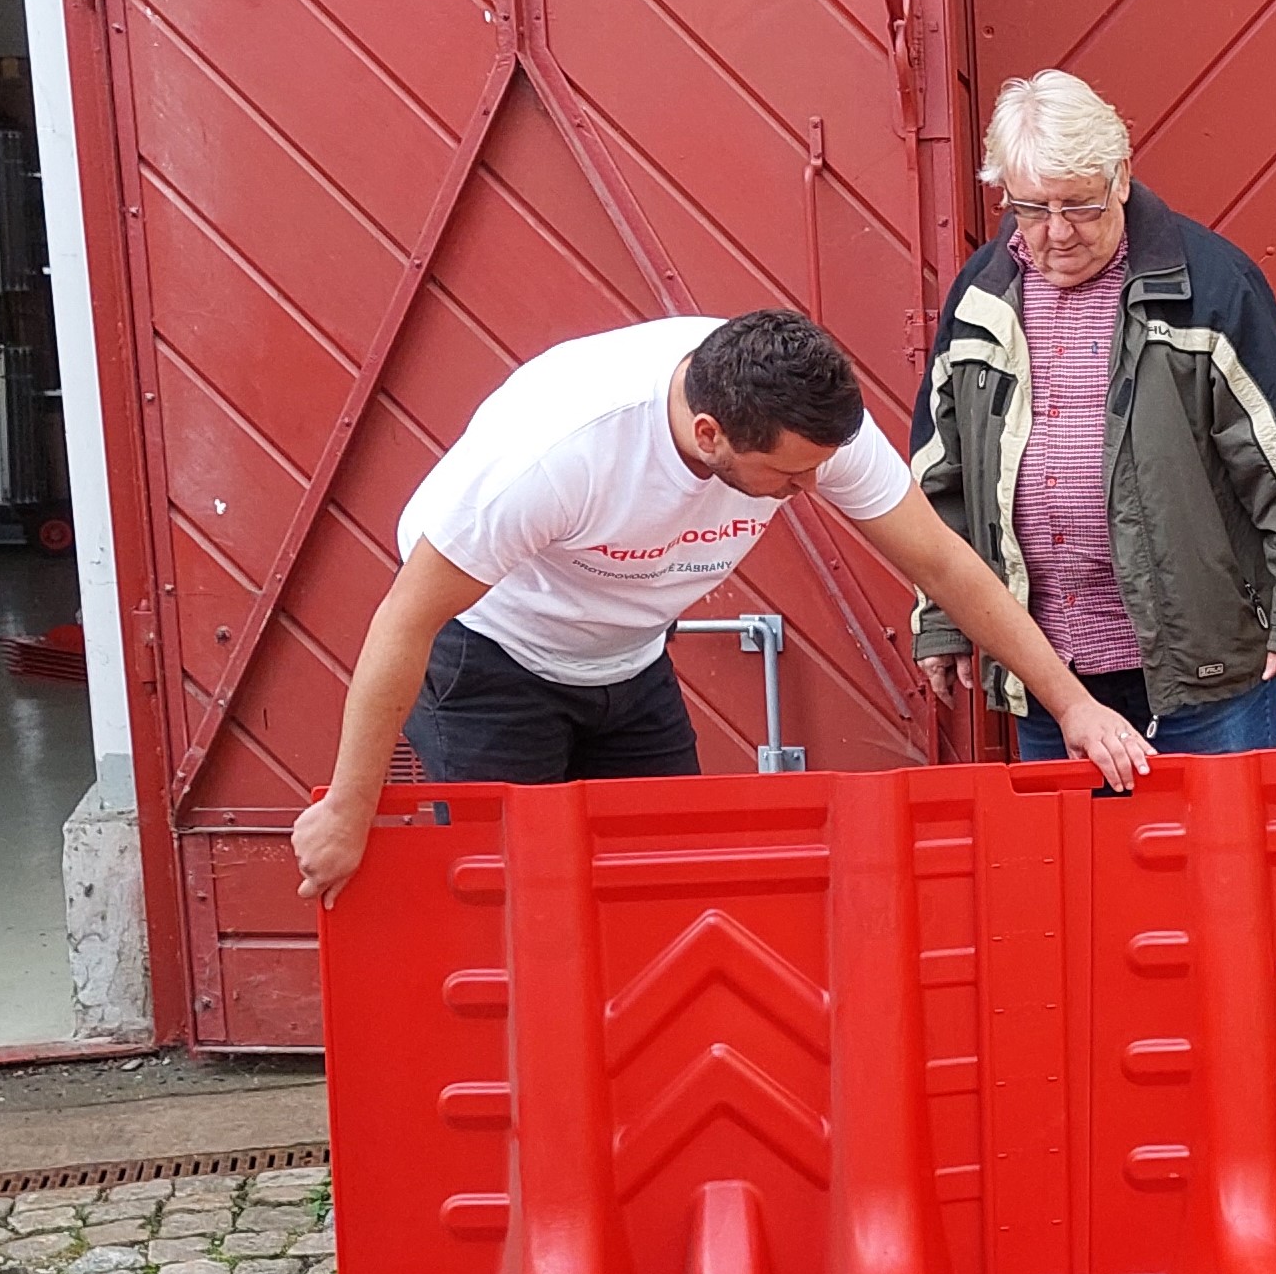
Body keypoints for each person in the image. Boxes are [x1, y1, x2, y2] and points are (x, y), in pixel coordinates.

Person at [288, 309, 1155, 904]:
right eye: (787, 476)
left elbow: (945, 562)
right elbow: (405, 618)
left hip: (629, 662)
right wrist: (349, 808)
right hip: (492, 659)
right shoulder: (559, 453)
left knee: (665, 887)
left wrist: (1073, 703)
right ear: (710, 436)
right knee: (512, 901)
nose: (813, 489)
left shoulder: (807, 426)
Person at [909, 70, 1276, 757]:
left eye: (1078, 205)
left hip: (1201, 669)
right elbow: (941, 477)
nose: (1056, 232)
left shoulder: (1208, 284)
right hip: (1045, 671)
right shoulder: (982, 292)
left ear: (1120, 177)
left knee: (1217, 860)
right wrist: (941, 619)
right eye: (1031, 207)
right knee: (1074, 864)